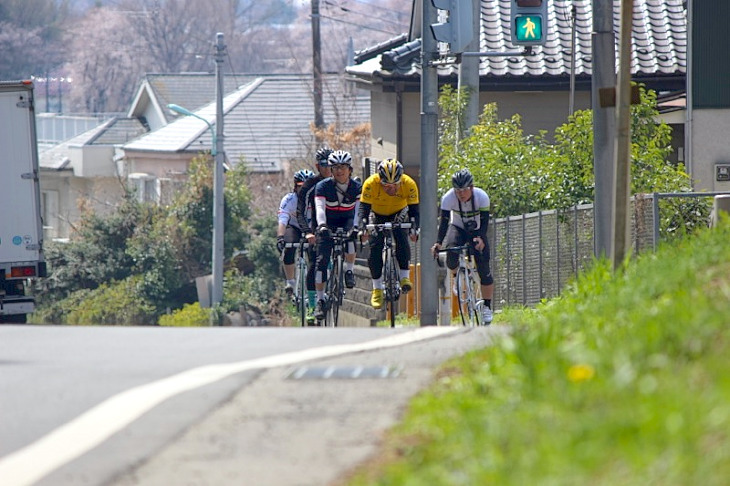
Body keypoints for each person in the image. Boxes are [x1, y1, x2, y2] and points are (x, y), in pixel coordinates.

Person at [430, 168, 494, 324]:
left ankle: (487, 306)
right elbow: (444, 223)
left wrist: (480, 239)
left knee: (484, 266)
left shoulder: (482, 197)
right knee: (451, 250)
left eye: (464, 190)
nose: (461, 194)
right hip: (457, 227)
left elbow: (485, 222)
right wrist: (438, 243)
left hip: (477, 228)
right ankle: (456, 277)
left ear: (471, 188)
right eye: (457, 190)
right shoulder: (448, 198)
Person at [358, 158, 420, 309]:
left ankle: (405, 278)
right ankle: (377, 288)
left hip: (399, 211)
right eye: (386, 186)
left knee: (401, 237)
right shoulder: (370, 183)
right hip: (377, 213)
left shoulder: (409, 184)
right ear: (380, 181)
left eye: (395, 185)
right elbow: (363, 211)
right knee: (375, 247)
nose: (391, 189)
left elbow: (415, 212)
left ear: (401, 181)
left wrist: (414, 228)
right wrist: (362, 228)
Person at [313, 150, 362, 320]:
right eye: (335, 167)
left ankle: (349, 271)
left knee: (351, 238)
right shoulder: (323, 186)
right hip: (329, 221)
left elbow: (358, 211)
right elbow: (319, 208)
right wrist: (322, 226)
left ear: (350, 169)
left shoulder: (356, 187)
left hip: (347, 219)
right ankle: (320, 301)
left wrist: (356, 227)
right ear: (331, 171)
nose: (339, 171)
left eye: (343, 167)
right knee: (321, 261)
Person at [296, 147, 333, 321]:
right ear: (318, 166)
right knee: (315, 263)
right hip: (315, 228)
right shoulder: (309, 186)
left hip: (337, 225)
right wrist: (307, 232)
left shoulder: (342, 182)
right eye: (324, 165)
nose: (328, 168)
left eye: (331, 164)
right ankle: (312, 306)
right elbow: (300, 212)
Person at [277, 169, 315, 298]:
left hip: (312, 228)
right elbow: (283, 220)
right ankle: (290, 282)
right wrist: (280, 237)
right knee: (289, 246)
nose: (304, 189)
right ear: (295, 186)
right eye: (300, 186)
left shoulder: (317, 198)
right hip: (294, 227)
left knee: (314, 255)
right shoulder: (289, 200)